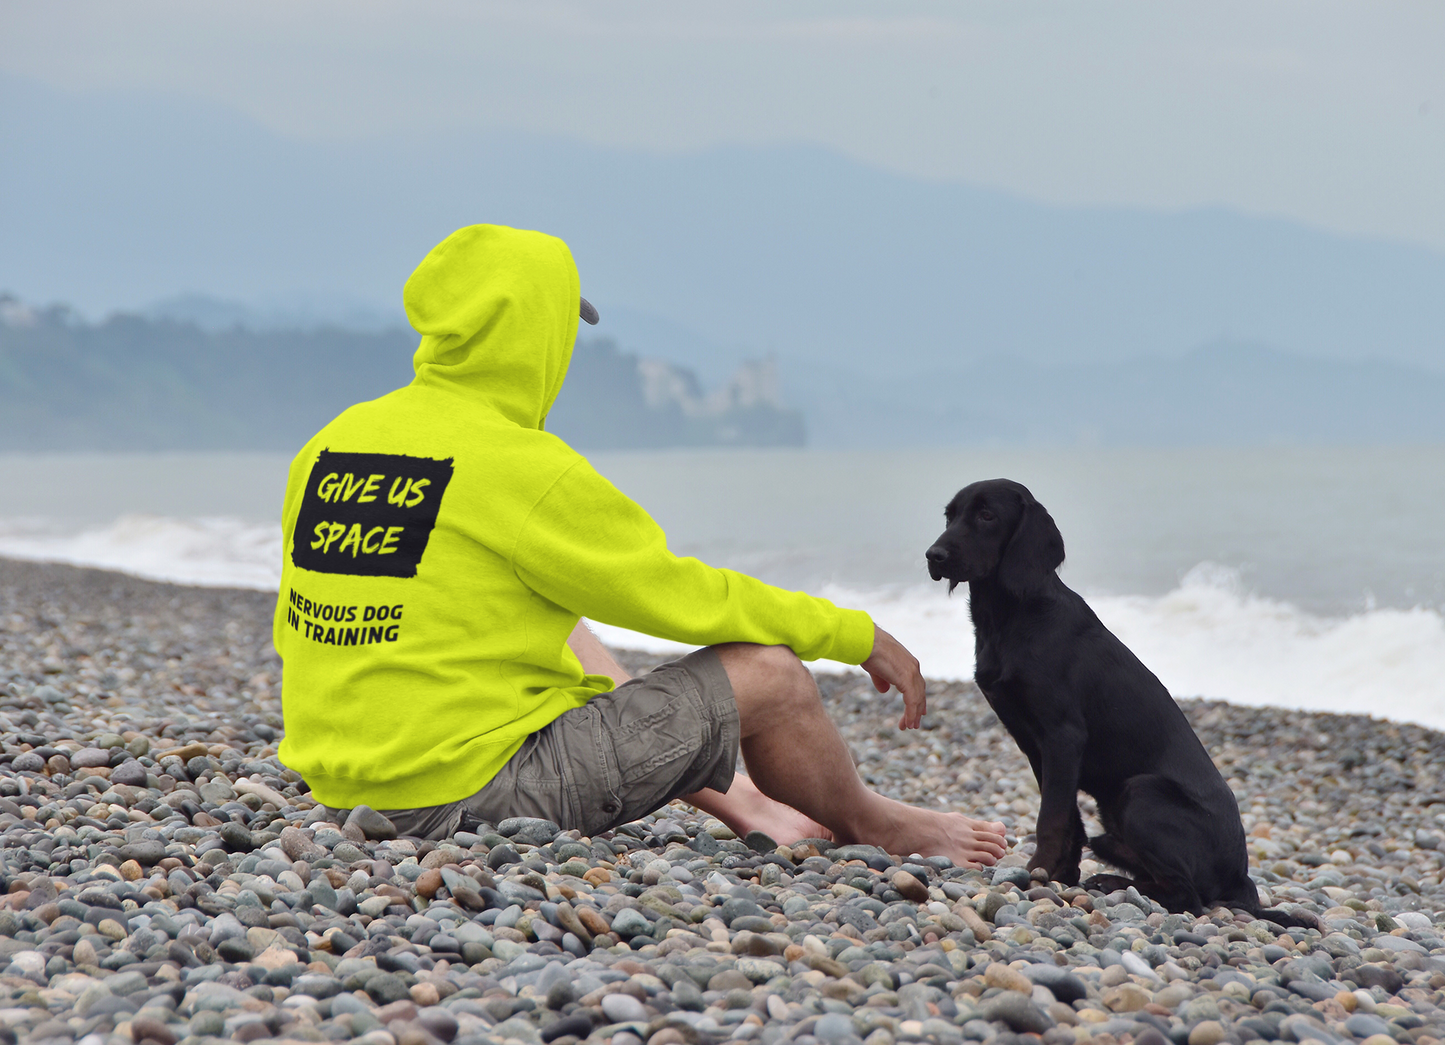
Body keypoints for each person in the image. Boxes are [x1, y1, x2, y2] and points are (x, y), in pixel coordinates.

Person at [272, 224, 1007, 867]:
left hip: (346, 792)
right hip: (465, 798)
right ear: (534, 334)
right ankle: (874, 823)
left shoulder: (333, 442)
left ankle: (746, 801)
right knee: (771, 673)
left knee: (546, 608)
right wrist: (850, 631)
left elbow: (301, 620)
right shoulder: (524, 468)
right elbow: (681, 597)